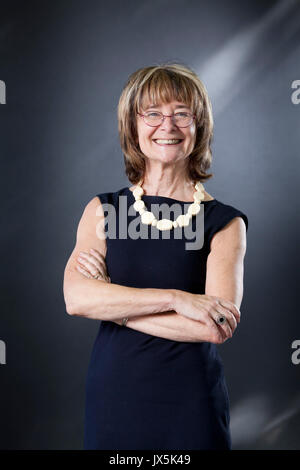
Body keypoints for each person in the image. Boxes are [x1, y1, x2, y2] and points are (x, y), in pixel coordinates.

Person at [63, 63, 248, 450]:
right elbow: (78, 299)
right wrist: (178, 299)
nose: (168, 125)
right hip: (114, 398)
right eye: (153, 113)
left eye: (182, 113)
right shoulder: (103, 210)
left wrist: (113, 299)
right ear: (133, 126)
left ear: (199, 127)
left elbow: (214, 326)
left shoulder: (226, 223)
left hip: (190, 403)